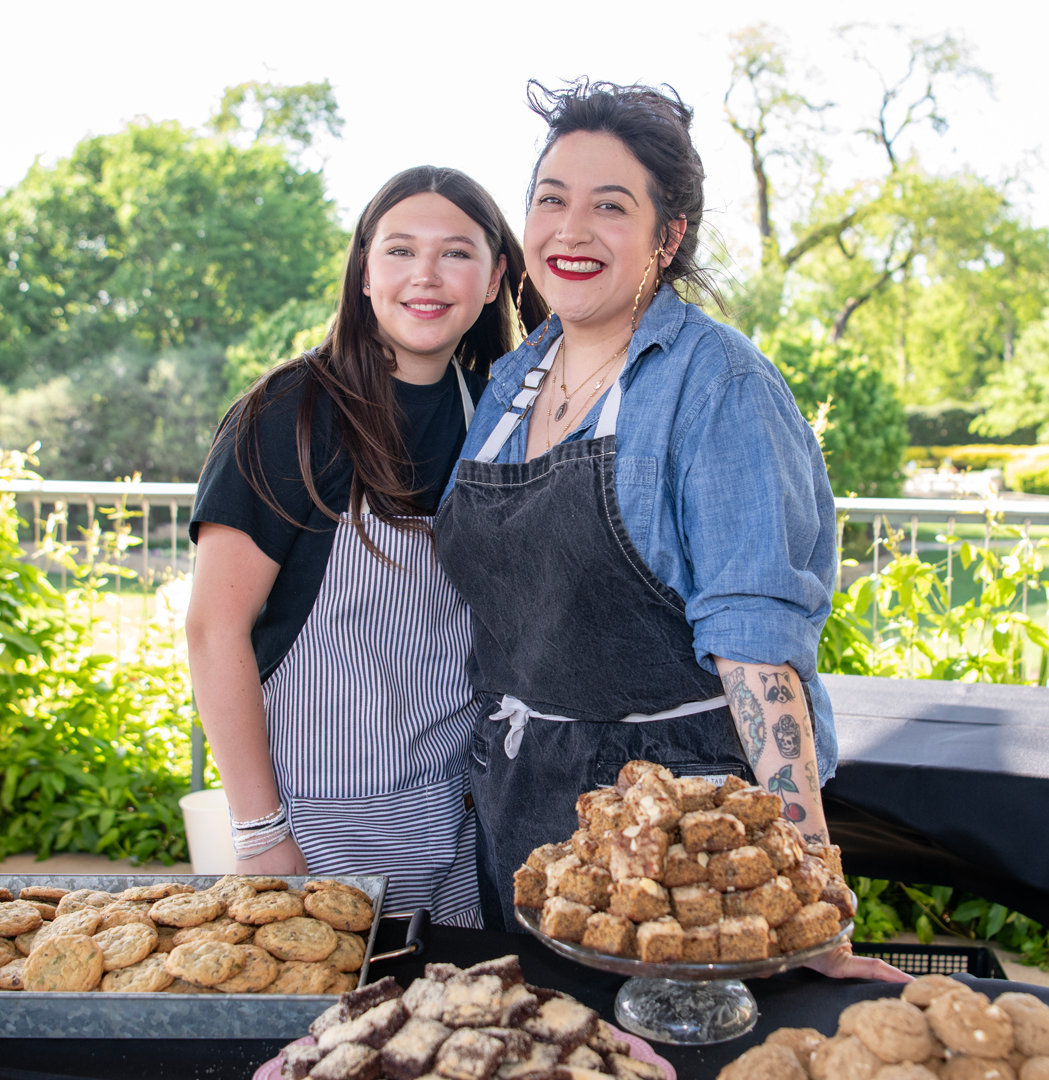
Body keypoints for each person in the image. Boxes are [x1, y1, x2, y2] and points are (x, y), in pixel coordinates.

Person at [434, 81, 906, 978]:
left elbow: (760, 658)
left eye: (611, 207)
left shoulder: (718, 388)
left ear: (668, 236)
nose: (571, 231)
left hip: (687, 839)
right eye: (551, 199)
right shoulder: (509, 384)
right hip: (525, 814)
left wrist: (806, 903)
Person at [185, 166, 544, 926]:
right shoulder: (289, 414)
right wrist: (260, 835)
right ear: (363, 272)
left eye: (456, 253)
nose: (426, 275)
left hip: (457, 819)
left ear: (494, 279)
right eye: (399, 251)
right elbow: (214, 631)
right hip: (312, 831)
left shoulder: (500, 415)